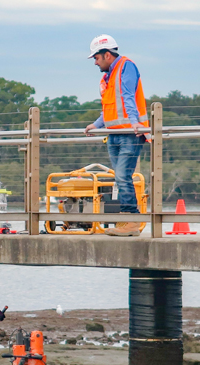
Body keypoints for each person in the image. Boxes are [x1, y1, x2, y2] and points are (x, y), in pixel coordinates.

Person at [84, 34, 149, 237]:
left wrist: (135, 123)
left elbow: (128, 97)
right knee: (120, 178)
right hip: (114, 134)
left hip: (130, 133)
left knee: (123, 176)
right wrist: (96, 125)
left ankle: (132, 221)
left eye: (96, 57)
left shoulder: (126, 66)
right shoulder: (108, 76)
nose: (95, 62)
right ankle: (126, 221)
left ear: (107, 55)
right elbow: (110, 107)